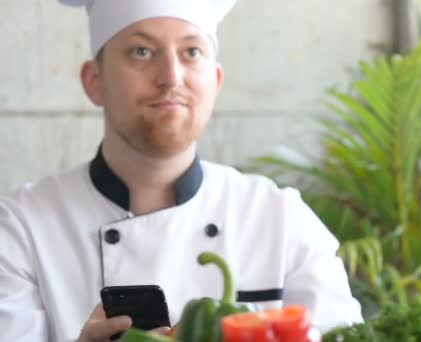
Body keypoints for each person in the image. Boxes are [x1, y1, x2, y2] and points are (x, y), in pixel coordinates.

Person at [0, 0, 363, 340]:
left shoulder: (281, 219)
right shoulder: (21, 229)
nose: (171, 77)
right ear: (95, 81)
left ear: (216, 81)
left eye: (191, 52)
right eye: (141, 51)